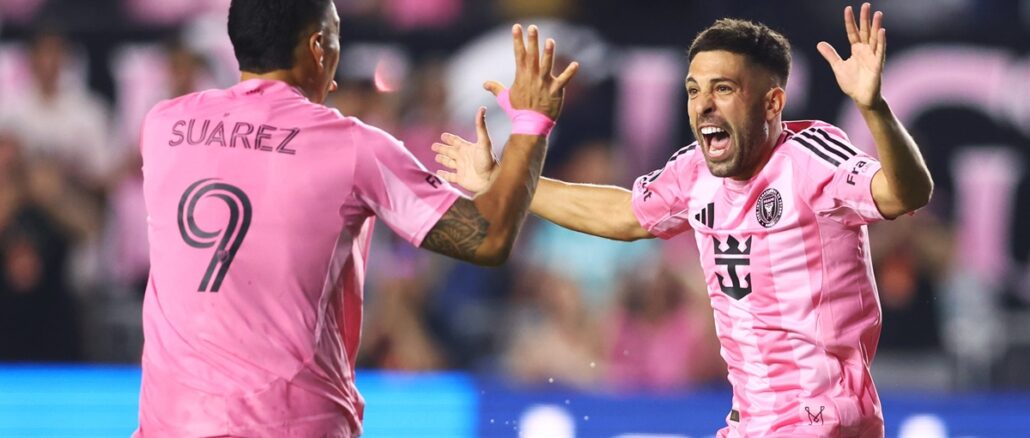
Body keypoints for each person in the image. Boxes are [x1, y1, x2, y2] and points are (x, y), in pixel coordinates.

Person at [434, 3, 933, 437]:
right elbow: (622, 214)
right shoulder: (694, 172)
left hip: (820, 419)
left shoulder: (811, 158)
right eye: (694, 90)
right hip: (754, 421)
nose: (703, 105)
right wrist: (504, 181)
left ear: (772, 102)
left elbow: (906, 192)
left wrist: (874, 109)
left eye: (723, 88)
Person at [134, 0, 578, 435]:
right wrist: (530, 127)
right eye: (338, 36)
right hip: (293, 423)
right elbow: (487, 238)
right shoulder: (354, 148)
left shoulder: (163, 126)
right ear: (318, 48)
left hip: (170, 422)